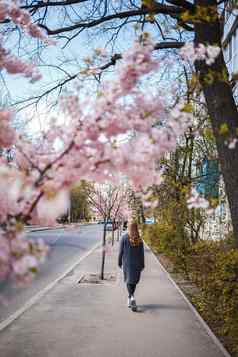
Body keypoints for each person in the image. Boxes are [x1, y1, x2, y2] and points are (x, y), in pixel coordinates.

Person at [118, 222, 145, 312]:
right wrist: (142, 264)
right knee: (133, 281)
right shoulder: (139, 239)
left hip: (127, 263)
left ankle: (131, 297)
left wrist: (119, 262)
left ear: (128, 227)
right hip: (137, 264)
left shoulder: (124, 238)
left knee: (128, 281)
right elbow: (141, 253)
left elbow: (121, 252)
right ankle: (130, 298)